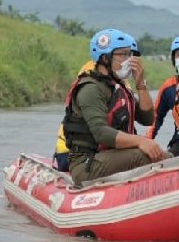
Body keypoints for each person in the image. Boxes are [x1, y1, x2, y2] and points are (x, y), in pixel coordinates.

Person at [62, 28, 169, 185]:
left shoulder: (118, 87)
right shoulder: (90, 89)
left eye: (129, 54)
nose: (129, 59)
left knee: (167, 157)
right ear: (105, 58)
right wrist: (141, 141)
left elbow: (148, 118)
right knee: (142, 155)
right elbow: (101, 133)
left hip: (113, 156)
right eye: (123, 54)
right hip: (87, 164)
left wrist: (141, 84)